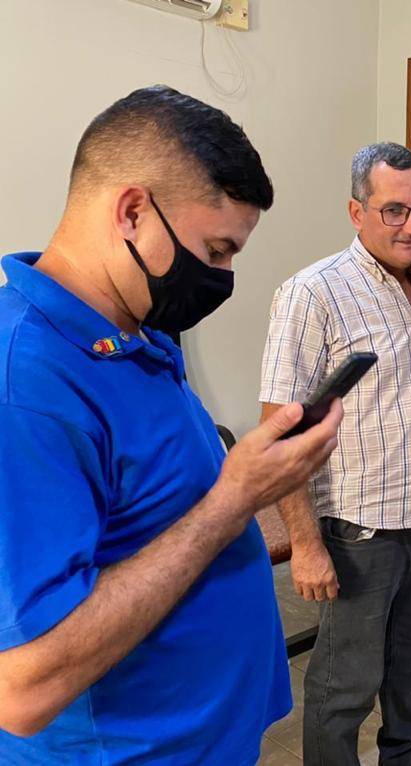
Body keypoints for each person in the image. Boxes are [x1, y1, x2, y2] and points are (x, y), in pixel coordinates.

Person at [0, 85, 342, 765]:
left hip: (208, 737)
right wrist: (235, 499)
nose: (223, 276)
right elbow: (23, 689)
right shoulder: (27, 386)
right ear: (133, 211)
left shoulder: (140, 334)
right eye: (215, 251)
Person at [259, 142, 411, 766]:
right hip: (360, 529)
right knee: (345, 686)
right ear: (356, 212)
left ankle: (405, 757)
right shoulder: (313, 294)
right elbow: (279, 431)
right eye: (395, 211)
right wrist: (305, 544)